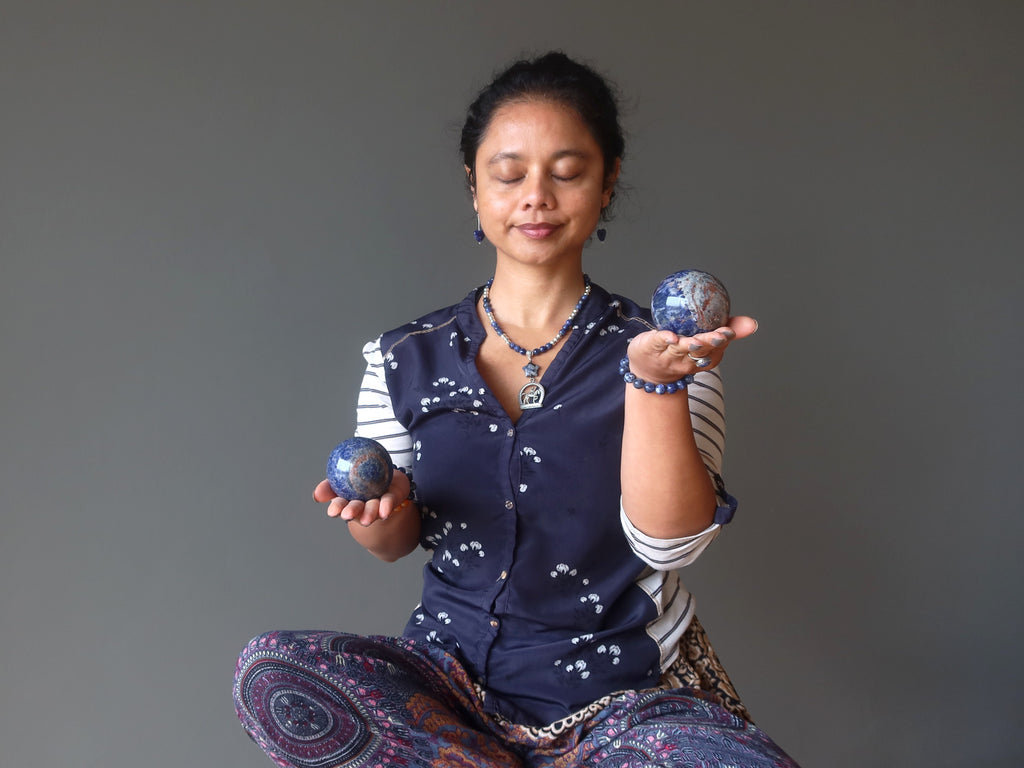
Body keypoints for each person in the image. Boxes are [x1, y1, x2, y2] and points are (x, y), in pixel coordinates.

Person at [234, 52, 799, 768]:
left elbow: (670, 546)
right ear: (475, 187)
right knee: (274, 673)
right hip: (449, 696)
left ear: (607, 182)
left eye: (566, 171)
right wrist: (383, 511)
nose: (536, 195)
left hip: (620, 698)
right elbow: (392, 543)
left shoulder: (669, 352)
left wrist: (653, 384)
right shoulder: (404, 356)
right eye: (508, 173)